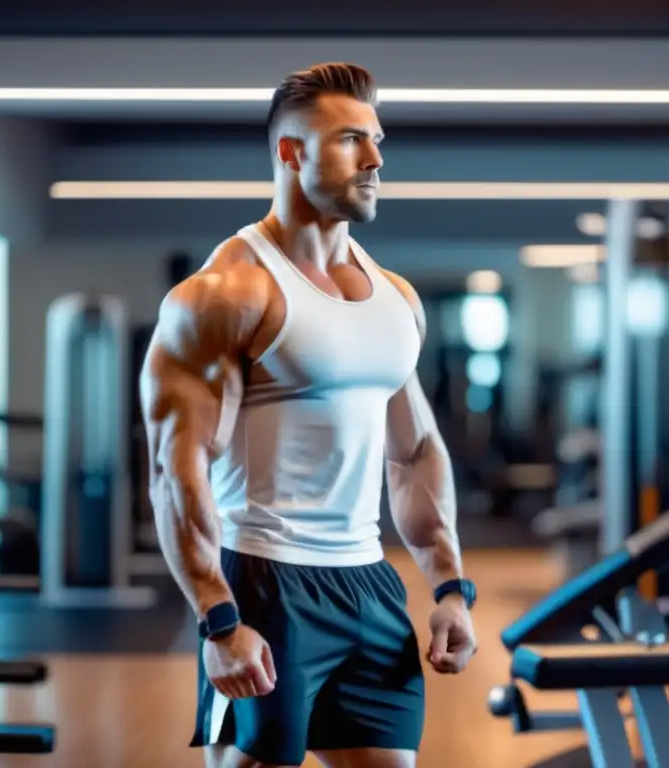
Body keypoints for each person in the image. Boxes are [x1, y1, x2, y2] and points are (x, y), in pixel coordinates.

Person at [139, 62, 478, 768]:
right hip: (264, 580)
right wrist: (218, 618)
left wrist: (448, 587)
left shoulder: (396, 298)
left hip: (368, 583)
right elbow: (178, 472)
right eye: (352, 140)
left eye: (378, 140)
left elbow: (414, 451)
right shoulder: (228, 293)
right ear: (291, 153)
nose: (378, 159)